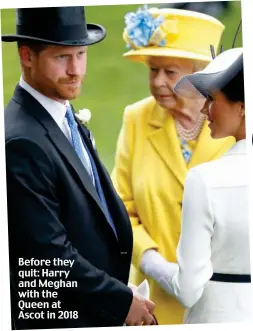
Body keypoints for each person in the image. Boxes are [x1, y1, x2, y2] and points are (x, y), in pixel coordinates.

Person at [3, 6, 156, 329]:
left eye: (81, 54)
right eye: (62, 57)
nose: (76, 70)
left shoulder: (62, 115)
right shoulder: (21, 141)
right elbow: (47, 256)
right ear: (27, 56)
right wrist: (120, 301)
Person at [111, 6, 235, 325]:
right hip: (153, 304)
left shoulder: (235, 126)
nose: (158, 81)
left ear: (200, 74)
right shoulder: (136, 118)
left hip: (221, 303)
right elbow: (121, 207)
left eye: (171, 72)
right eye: (153, 70)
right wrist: (151, 261)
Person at [143, 47, 251, 323]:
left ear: (242, 107)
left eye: (212, 99)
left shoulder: (205, 179)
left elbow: (187, 290)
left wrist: (153, 265)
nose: (205, 108)